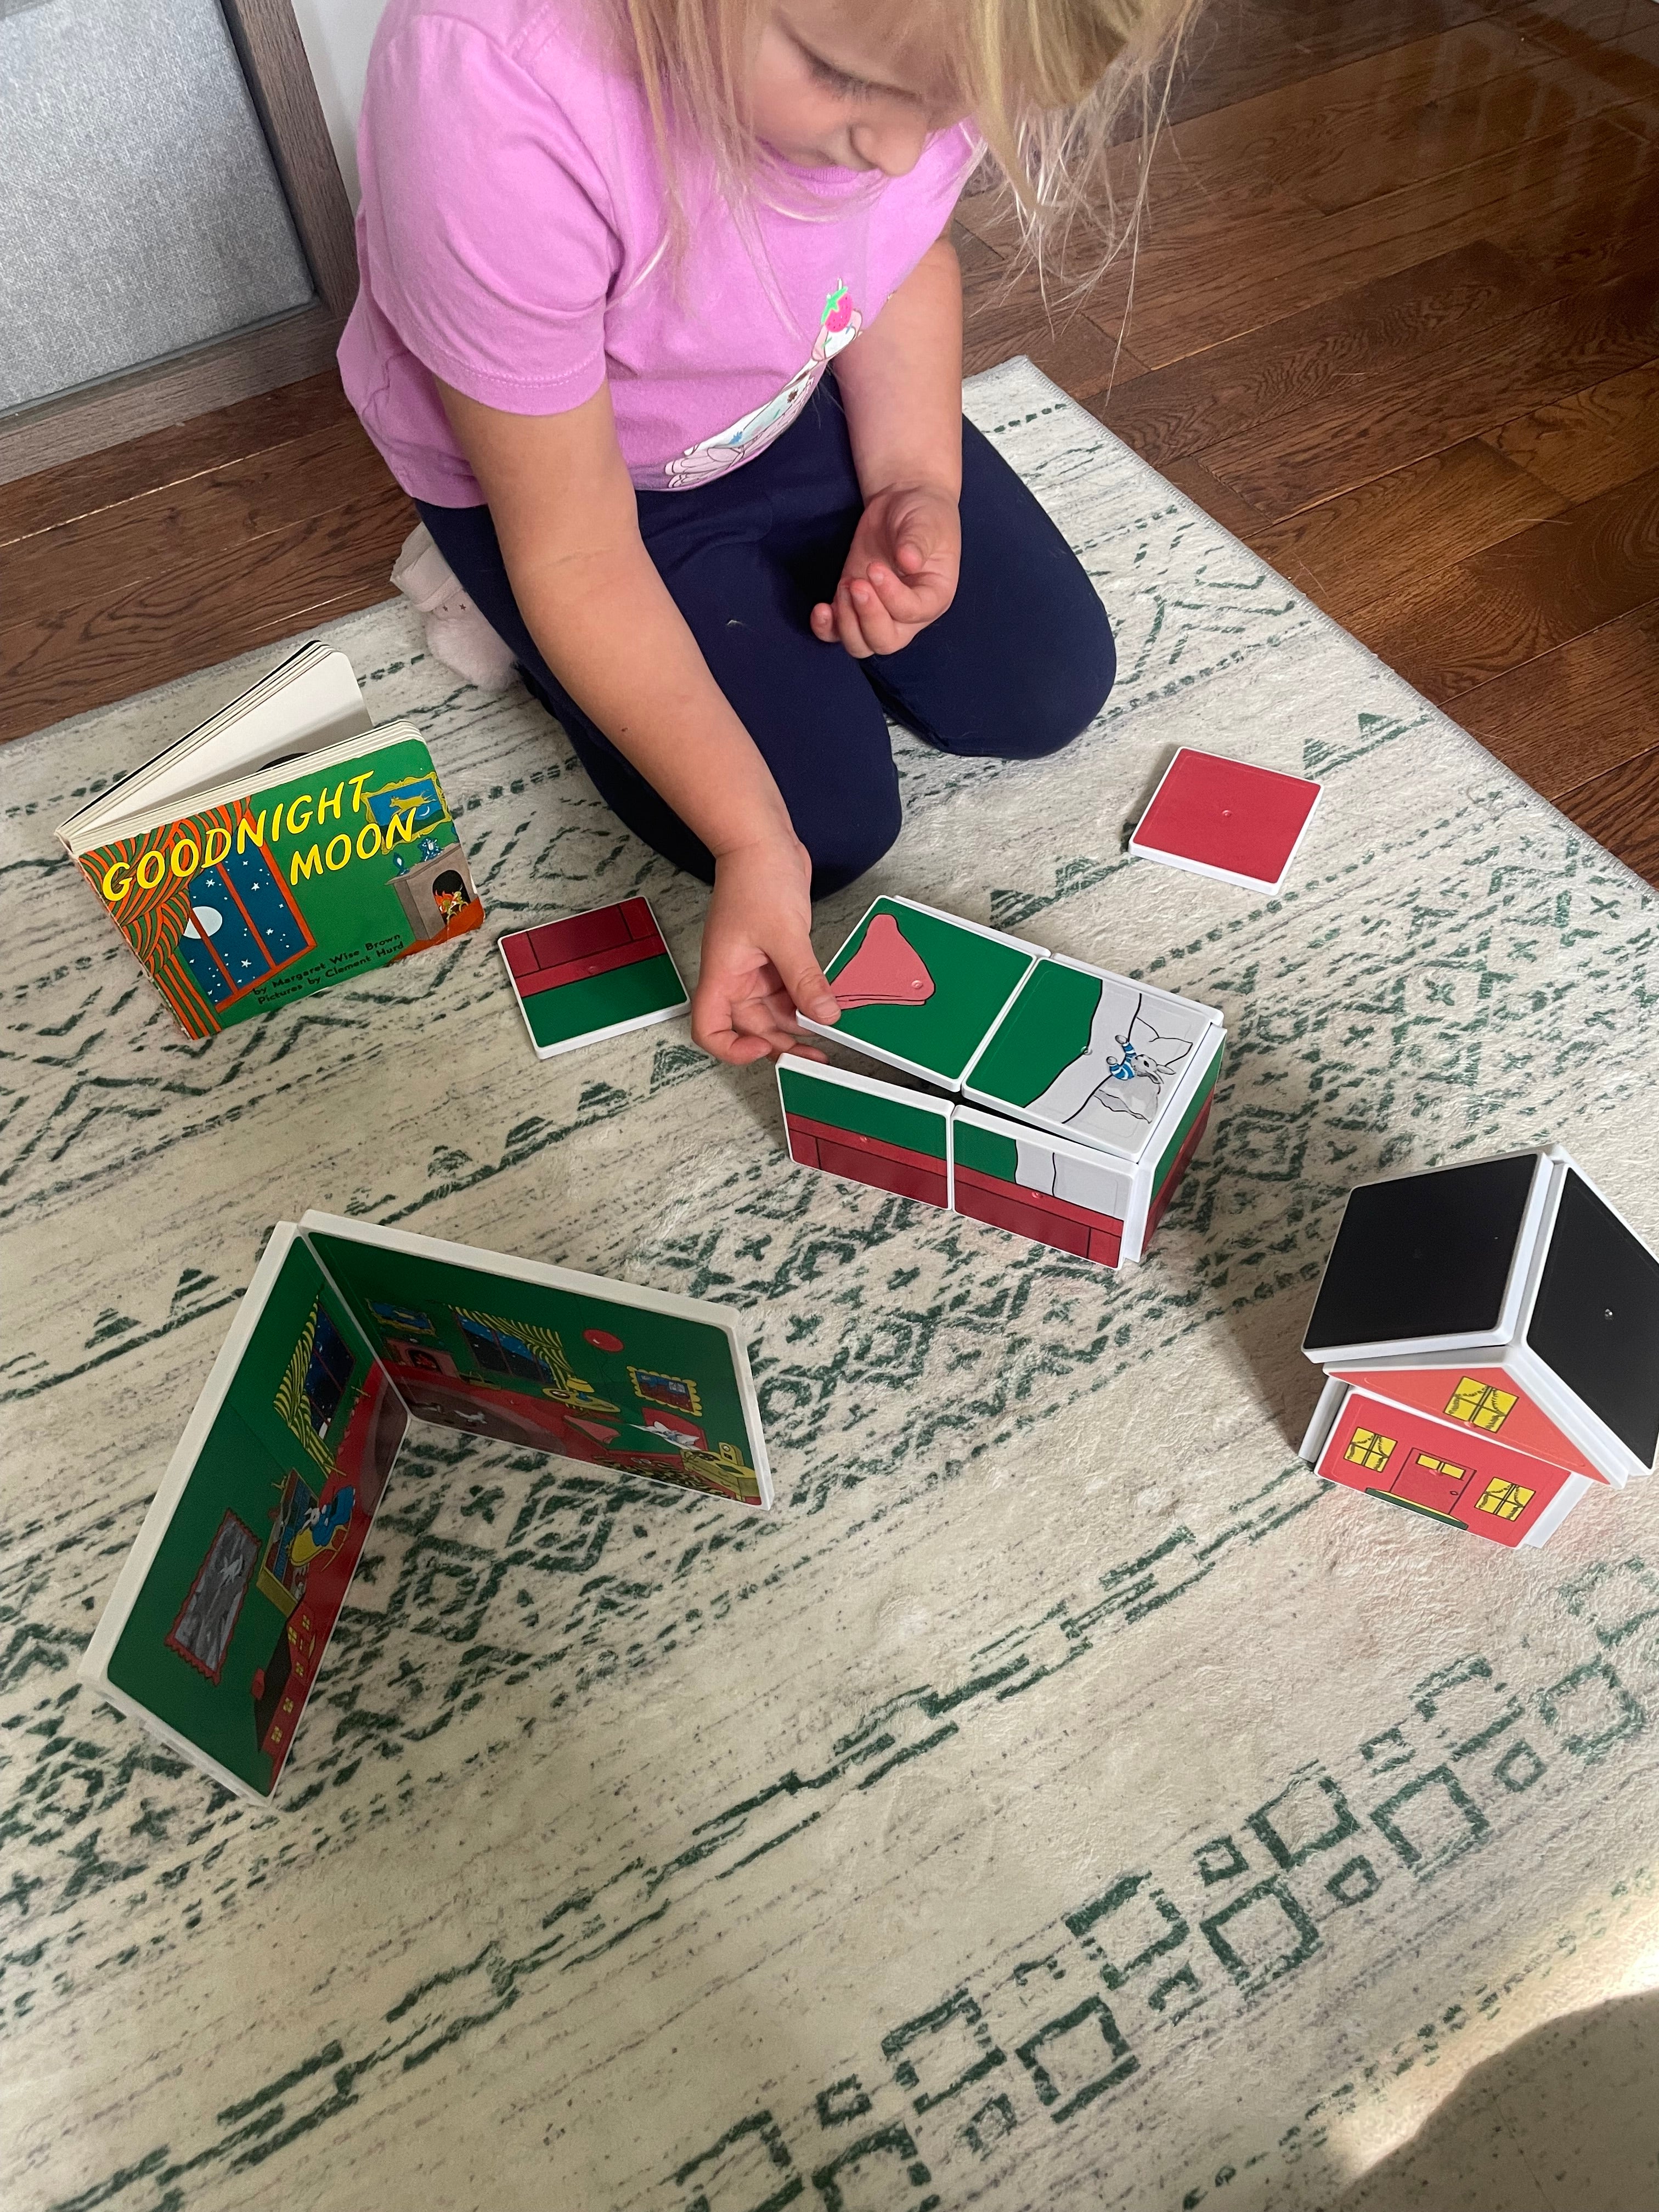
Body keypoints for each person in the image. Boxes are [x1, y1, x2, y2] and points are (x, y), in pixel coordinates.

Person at [340, 0, 1186, 1065]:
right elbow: (577, 550)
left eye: (949, 107)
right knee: (816, 832)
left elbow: (903, 257)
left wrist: (916, 482)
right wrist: (751, 842)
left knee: (1045, 683)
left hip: (782, 385)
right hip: (565, 477)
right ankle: (483, 591)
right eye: (844, 77)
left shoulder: (942, 48)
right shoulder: (490, 92)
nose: (893, 149)